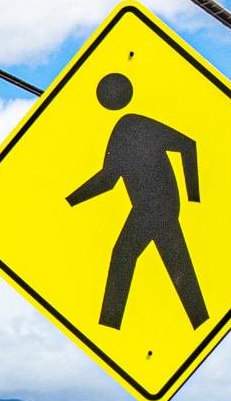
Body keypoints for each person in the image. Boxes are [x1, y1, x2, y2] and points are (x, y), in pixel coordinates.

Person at [66, 72, 209, 330]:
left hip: (157, 207)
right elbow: (109, 179)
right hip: (148, 208)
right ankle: (200, 321)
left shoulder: (134, 125)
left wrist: (194, 196)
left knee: (125, 255)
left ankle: (109, 325)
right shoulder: (122, 130)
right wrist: (70, 201)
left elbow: (188, 145)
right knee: (174, 264)